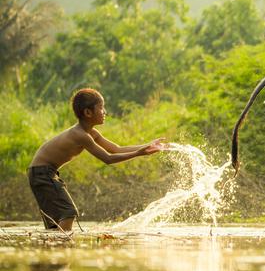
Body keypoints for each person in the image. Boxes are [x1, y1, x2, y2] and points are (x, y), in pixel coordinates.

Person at [27, 88, 165, 231]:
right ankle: (61, 244)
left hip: (42, 172)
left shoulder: (90, 133)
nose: (105, 112)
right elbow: (108, 158)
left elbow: (116, 148)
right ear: (88, 112)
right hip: (42, 172)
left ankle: (53, 246)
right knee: (68, 212)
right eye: (101, 108)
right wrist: (138, 153)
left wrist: (148, 146)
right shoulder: (80, 135)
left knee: (55, 220)